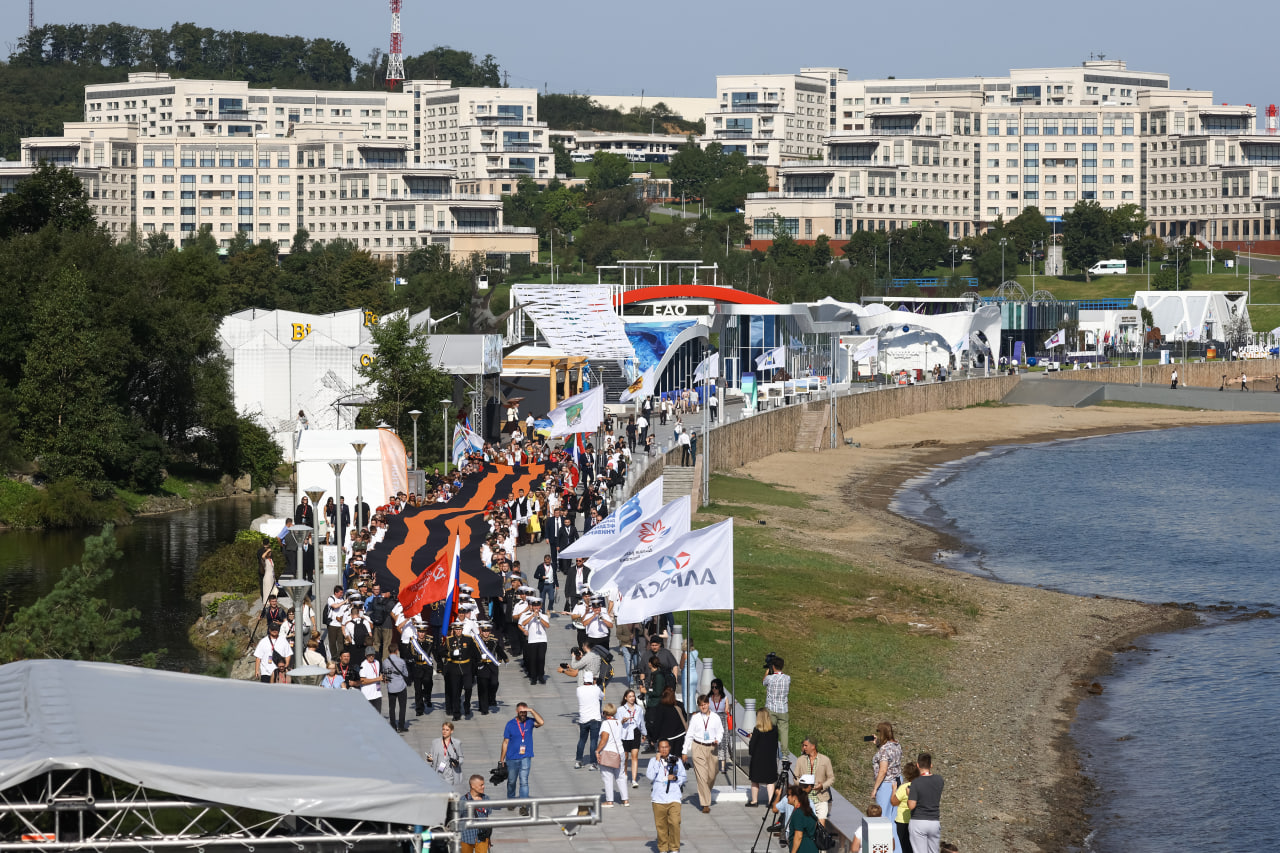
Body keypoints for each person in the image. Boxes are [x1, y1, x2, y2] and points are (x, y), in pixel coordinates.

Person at [499, 703, 545, 812]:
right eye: (521, 712)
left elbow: (541, 722)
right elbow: (505, 742)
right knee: (511, 781)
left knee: (524, 781)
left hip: (526, 756)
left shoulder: (529, 722)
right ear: (516, 712)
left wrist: (532, 710)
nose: (523, 714)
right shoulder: (510, 724)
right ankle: (511, 800)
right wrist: (501, 759)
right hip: (512, 757)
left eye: (525, 712)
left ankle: (523, 806)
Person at [683, 693, 724, 813]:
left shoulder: (715, 717)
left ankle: (706, 792)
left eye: (705, 704)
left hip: (712, 747)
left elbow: (720, 731)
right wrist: (685, 751)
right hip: (698, 747)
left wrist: (718, 739)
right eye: (701, 705)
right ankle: (705, 803)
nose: (703, 707)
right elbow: (689, 734)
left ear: (708, 704)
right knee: (702, 776)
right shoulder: (695, 718)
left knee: (712, 774)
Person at [646, 739, 686, 853]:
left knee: (675, 822)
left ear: (669, 747)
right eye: (661, 747)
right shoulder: (653, 761)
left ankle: (674, 848)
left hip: (673, 796)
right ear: (658, 748)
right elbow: (650, 776)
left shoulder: (676, 760)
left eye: (666, 747)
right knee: (661, 826)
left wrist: (675, 778)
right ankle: (663, 848)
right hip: (658, 798)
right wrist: (657, 762)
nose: (664, 749)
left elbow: (683, 776)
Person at [872, 722, 904, 846]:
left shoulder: (884, 749)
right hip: (898, 781)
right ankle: (896, 849)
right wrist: (878, 744)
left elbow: (883, 770)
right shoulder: (897, 744)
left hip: (886, 785)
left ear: (882, 733)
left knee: (883, 818)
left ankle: (883, 847)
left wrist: (875, 788)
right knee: (894, 818)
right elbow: (889, 752)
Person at [907, 753, 944, 853]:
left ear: (917, 765)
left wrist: (909, 794)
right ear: (931, 765)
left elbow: (911, 806)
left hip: (919, 821)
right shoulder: (939, 780)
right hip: (934, 821)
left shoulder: (916, 783)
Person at [596, 703, 629, 807]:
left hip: (609, 752)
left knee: (607, 776)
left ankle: (609, 801)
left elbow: (604, 739)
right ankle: (625, 799)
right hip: (620, 752)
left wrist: (597, 751)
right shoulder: (618, 722)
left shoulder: (605, 723)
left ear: (605, 713)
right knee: (621, 776)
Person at [796, 736, 834, 825]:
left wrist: (822, 786)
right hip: (805, 798)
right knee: (806, 823)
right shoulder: (800, 760)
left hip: (821, 797)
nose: (804, 748)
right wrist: (802, 786)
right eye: (803, 745)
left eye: (806, 745)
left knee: (821, 824)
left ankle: (820, 839)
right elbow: (795, 777)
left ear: (813, 746)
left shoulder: (825, 760)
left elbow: (831, 778)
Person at [747, 709, 781, 807]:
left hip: (758, 760)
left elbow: (752, 746)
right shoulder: (774, 729)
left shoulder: (757, 730)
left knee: (755, 781)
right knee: (770, 781)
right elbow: (775, 744)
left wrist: (751, 739)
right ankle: (770, 801)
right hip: (770, 759)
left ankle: (754, 801)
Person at [618, 688, 647, 789]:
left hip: (635, 732)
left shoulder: (639, 709)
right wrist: (622, 721)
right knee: (625, 756)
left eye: (633, 696)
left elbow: (642, 722)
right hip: (625, 734)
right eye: (630, 696)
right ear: (625, 698)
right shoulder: (621, 710)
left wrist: (644, 733)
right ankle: (625, 774)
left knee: (634, 756)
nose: (632, 698)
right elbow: (617, 724)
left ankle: (634, 779)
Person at [575, 671, 604, 770]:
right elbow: (602, 696)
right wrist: (597, 685)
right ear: (592, 680)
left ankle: (578, 761)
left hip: (583, 719)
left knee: (582, 740)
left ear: (583, 679)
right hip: (595, 718)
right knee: (593, 741)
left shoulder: (579, 689)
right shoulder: (596, 689)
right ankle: (593, 763)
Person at [763, 655, 791, 756]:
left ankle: (771, 750)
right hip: (783, 709)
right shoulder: (788, 678)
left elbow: (764, 682)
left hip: (771, 708)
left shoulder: (770, 678)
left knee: (770, 731)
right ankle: (785, 754)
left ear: (773, 666)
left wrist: (767, 672)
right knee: (784, 732)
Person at [891, 761, 920, 853]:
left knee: (905, 847)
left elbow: (894, 802)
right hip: (917, 821)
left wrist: (894, 790)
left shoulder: (903, 788)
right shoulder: (921, 787)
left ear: (906, 775)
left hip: (903, 822)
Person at [650, 686, 687, 758]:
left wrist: (653, 738)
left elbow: (657, 724)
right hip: (680, 734)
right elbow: (685, 718)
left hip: (666, 737)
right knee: (678, 756)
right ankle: (678, 768)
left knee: (666, 758)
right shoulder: (679, 704)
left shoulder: (660, 707)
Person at [427, 721, 464, 791]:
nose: (444, 731)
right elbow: (430, 754)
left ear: (451, 731)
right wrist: (429, 758)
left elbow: (461, 757)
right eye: (443, 729)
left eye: (447, 730)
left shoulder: (457, 743)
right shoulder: (435, 742)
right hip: (438, 771)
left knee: (448, 792)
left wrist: (457, 762)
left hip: (450, 772)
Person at [459, 774, 491, 853]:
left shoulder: (486, 798)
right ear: (472, 786)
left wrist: (489, 837)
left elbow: (487, 818)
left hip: (482, 837)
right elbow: (457, 818)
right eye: (481, 785)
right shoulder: (463, 800)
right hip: (466, 837)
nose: (483, 787)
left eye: (483, 784)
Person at [785, 784, 820, 853]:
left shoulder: (798, 813)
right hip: (812, 847)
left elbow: (798, 836)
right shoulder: (809, 811)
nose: (787, 797)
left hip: (802, 848)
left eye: (788, 795)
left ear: (794, 797)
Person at [383, 644, 410, 732]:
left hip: (391, 686)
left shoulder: (385, 662)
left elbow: (385, 674)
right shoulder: (401, 661)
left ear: (389, 651)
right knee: (402, 707)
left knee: (392, 707)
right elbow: (405, 673)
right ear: (397, 651)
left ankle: (393, 725)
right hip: (401, 686)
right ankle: (401, 726)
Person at [708, 678, 730, 773]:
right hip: (712, 720)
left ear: (720, 688)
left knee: (723, 742)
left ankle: (723, 765)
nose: (714, 689)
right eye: (712, 687)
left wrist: (729, 708)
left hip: (722, 720)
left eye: (716, 687)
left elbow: (727, 710)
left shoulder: (724, 698)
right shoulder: (709, 698)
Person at [356, 646, 383, 712]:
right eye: (369, 655)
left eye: (372, 655)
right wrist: (377, 679)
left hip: (377, 695)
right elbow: (363, 681)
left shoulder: (377, 662)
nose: (371, 657)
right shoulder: (363, 665)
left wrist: (383, 678)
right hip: (367, 696)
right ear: (366, 655)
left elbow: (377, 675)